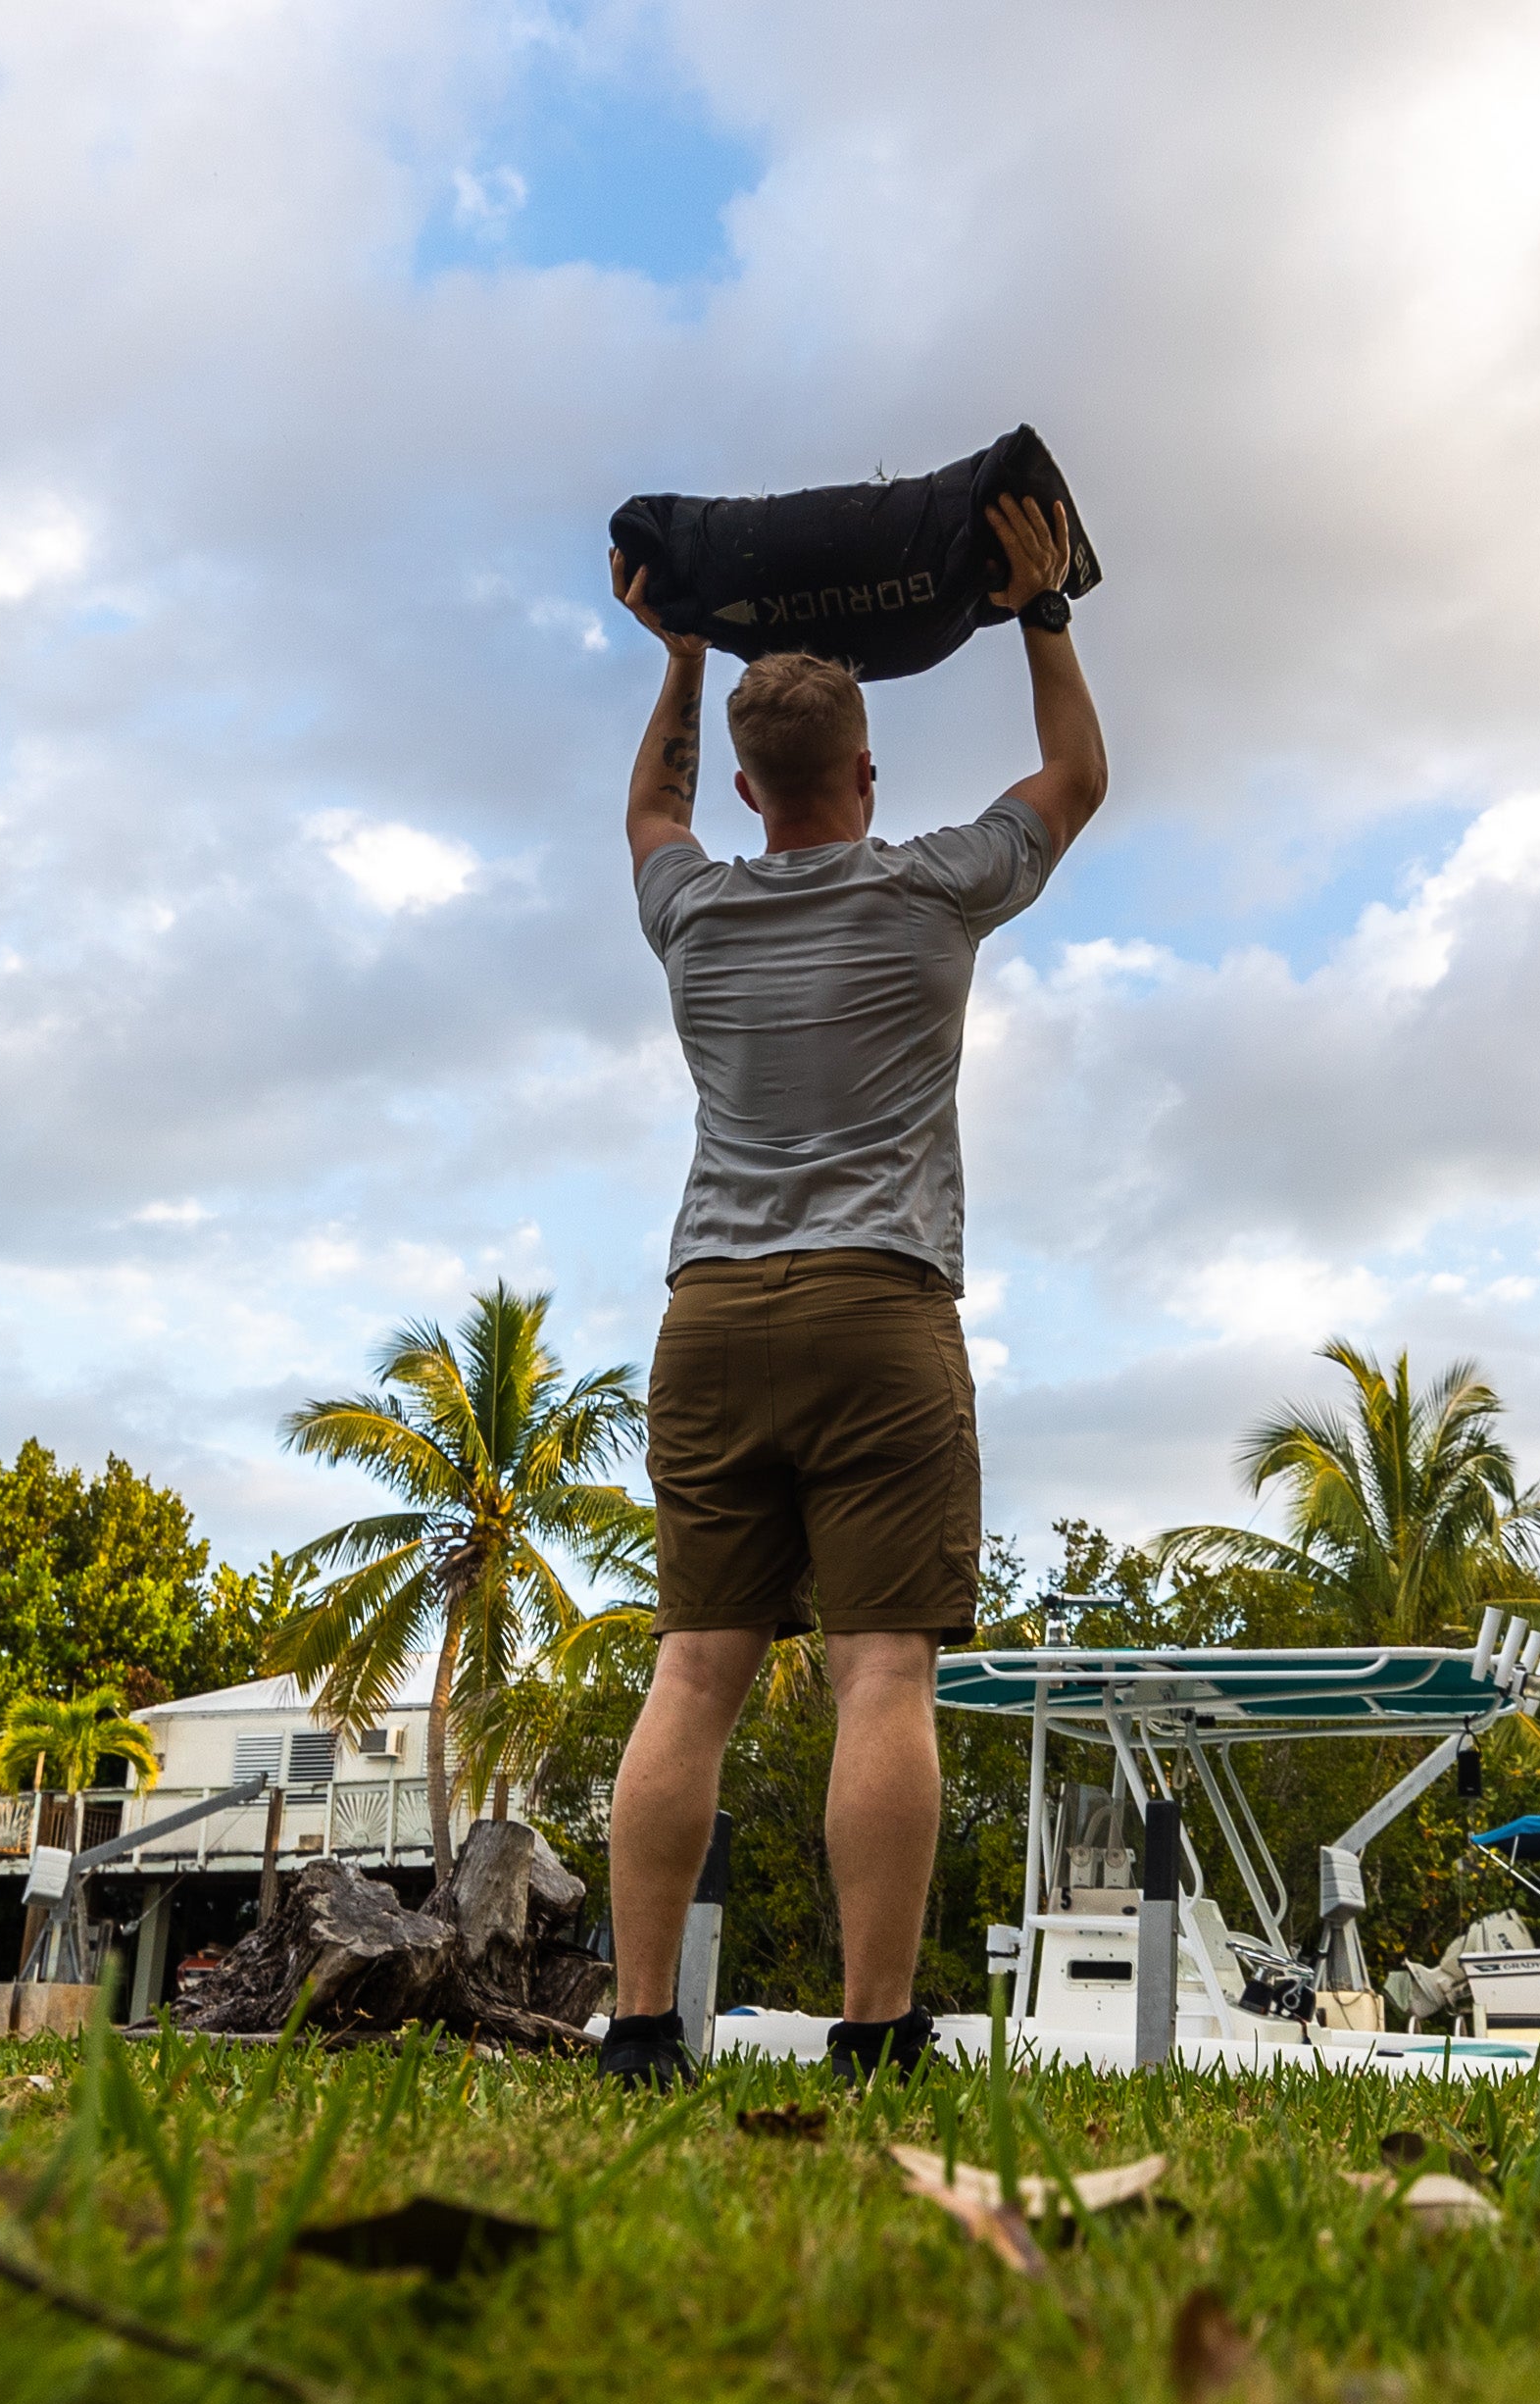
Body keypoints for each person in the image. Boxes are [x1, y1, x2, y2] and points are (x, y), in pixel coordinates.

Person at [590, 489, 1106, 2087]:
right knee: (883, 1668)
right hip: (882, 1312)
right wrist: (1041, 608)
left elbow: (646, 818)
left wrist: (681, 655)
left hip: (714, 1317)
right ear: (866, 777)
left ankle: (635, 2027)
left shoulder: (694, 909)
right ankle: (874, 2034)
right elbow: (1075, 781)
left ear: (750, 785)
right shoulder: (932, 886)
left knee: (694, 1670)